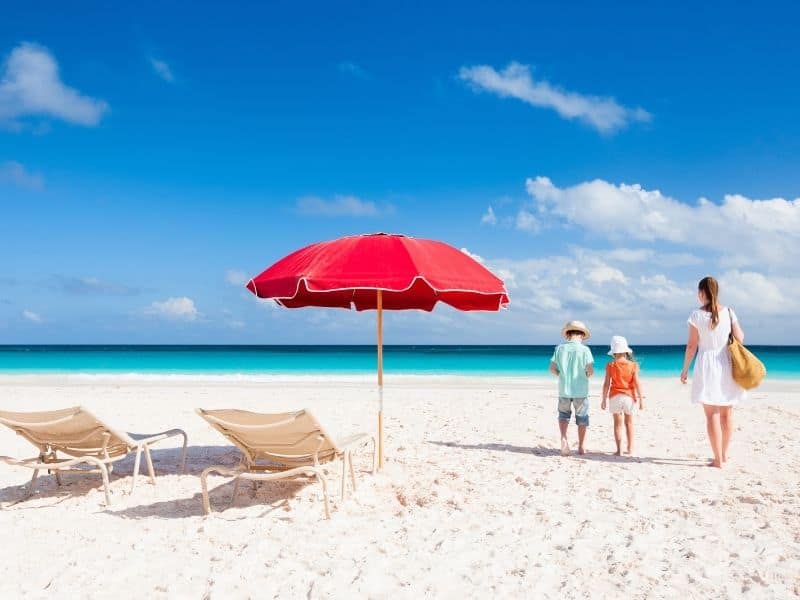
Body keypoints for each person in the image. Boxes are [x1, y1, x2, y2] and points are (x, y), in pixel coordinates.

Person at [680, 276, 745, 468]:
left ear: (702, 293)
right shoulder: (730, 312)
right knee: (727, 413)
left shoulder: (696, 315)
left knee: (712, 415)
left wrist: (685, 370)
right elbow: (740, 337)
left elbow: (692, 346)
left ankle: (717, 459)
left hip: (706, 364)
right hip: (726, 363)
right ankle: (723, 455)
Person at [550, 320, 594, 456]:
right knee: (582, 418)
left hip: (564, 389)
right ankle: (581, 446)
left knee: (563, 415)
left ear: (568, 334)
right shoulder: (585, 350)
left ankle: (563, 438)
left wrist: (562, 375)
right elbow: (590, 370)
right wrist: (586, 374)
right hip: (581, 390)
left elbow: (552, 369)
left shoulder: (559, 348)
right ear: (581, 335)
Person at [601, 336, 644, 456]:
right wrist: (641, 400)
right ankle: (630, 449)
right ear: (626, 351)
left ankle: (619, 449)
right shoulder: (633, 365)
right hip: (628, 397)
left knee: (617, 424)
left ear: (613, 352)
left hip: (615, 397)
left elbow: (606, 384)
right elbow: (637, 383)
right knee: (629, 423)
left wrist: (604, 399)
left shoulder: (610, 366)